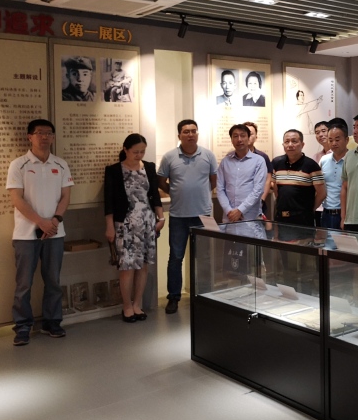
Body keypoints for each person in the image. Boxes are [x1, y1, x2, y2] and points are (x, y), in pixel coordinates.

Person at [6, 119, 74, 346]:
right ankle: (22, 326)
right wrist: (41, 222)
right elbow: (17, 199)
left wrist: (54, 221)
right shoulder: (19, 164)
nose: (45, 137)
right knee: (23, 284)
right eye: (40, 133)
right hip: (25, 235)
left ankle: (52, 322)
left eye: (49, 133)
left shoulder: (61, 164)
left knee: (53, 280)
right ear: (30, 136)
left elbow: (66, 196)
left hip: (55, 233)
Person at [157, 120, 218, 314]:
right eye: (186, 132)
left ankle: (204, 295)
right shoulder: (169, 157)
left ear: (197, 134)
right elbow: (161, 181)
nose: (190, 135)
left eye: (193, 131)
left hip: (203, 214)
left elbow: (213, 180)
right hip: (179, 215)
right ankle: (174, 297)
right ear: (179, 135)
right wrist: (175, 192)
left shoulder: (208, 155)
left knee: (205, 257)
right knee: (176, 257)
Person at [104, 134, 164, 322]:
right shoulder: (114, 170)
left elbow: (154, 194)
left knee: (143, 265)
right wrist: (109, 226)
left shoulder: (149, 167)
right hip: (125, 223)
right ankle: (127, 306)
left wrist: (161, 217)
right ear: (125, 150)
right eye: (135, 152)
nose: (139, 155)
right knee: (127, 266)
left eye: (142, 152)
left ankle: (138, 304)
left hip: (147, 221)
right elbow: (109, 201)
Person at [272, 129, 325, 227]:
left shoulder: (311, 165)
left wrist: (310, 209)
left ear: (302, 144)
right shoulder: (276, 163)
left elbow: (322, 193)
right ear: (283, 144)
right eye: (287, 141)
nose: (290, 145)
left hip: (303, 219)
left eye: (294, 141)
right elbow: (276, 189)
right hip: (281, 217)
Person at [217, 124, 267, 222]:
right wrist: (228, 210)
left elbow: (258, 190)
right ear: (231, 140)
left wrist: (240, 210)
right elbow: (220, 189)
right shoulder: (225, 162)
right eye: (235, 136)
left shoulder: (259, 161)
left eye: (243, 136)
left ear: (248, 138)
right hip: (229, 217)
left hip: (250, 217)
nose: (239, 139)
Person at [319, 122, 348, 230]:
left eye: (337, 139)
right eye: (330, 140)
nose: (334, 143)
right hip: (326, 213)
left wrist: (344, 217)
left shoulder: (353, 160)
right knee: (325, 241)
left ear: (346, 140)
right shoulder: (324, 160)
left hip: (346, 214)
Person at [243, 121, 273, 215]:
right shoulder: (232, 156)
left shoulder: (263, 157)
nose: (248, 136)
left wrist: (262, 200)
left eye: (251, 133)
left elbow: (267, 180)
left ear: (256, 137)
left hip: (258, 203)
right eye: (245, 133)